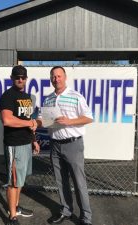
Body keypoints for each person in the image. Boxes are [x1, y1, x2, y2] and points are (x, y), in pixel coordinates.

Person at [43, 66, 93, 225]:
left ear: (64, 77)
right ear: (50, 79)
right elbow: (46, 122)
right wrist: (35, 123)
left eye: (59, 76)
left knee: (79, 182)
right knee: (61, 181)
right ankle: (66, 210)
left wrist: (69, 121)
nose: (56, 79)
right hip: (55, 145)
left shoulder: (75, 96)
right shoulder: (48, 99)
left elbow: (89, 118)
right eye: (53, 76)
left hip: (73, 145)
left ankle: (86, 217)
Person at [0, 65, 40, 225]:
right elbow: (7, 120)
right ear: (12, 78)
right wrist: (29, 122)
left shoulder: (27, 97)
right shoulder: (8, 96)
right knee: (13, 181)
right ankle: (12, 217)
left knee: (20, 180)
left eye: (23, 77)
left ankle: (15, 207)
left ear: (26, 79)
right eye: (17, 77)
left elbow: (29, 122)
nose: (20, 79)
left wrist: (34, 140)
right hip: (14, 144)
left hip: (25, 143)